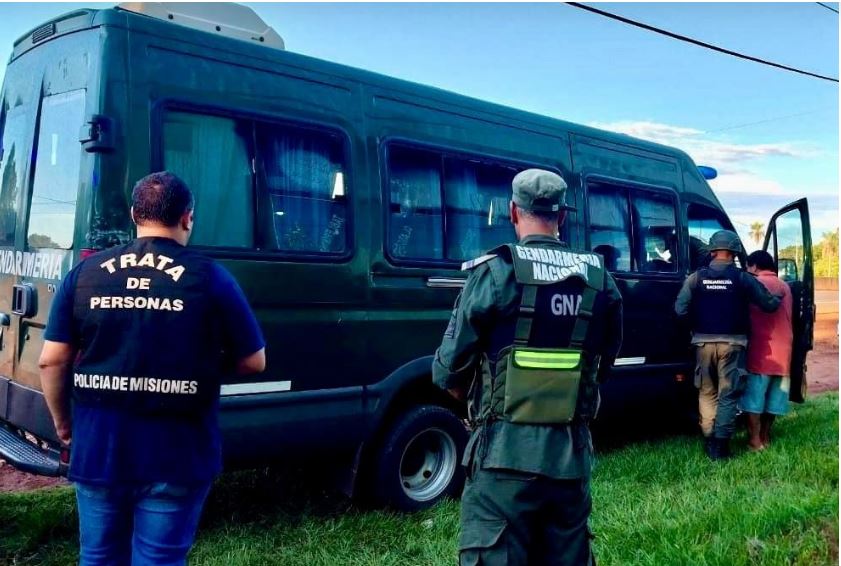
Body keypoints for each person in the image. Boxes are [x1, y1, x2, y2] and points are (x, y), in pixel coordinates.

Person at [39, 172, 266, 566]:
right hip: (178, 453)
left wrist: (63, 426)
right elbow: (254, 360)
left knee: (98, 557)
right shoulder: (211, 277)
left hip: (100, 448)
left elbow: (51, 360)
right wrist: (198, 368)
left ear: (134, 214)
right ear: (187, 218)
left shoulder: (86, 274)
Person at [433, 169, 623, 565]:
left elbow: (449, 374)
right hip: (569, 459)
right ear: (562, 216)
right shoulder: (599, 279)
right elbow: (601, 368)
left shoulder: (494, 273)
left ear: (512, 212)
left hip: (502, 458)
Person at [674, 230, 781, 460]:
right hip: (733, 345)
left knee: (707, 392)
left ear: (712, 251)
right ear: (734, 252)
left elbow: (679, 309)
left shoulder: (695, 278)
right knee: (728, 394)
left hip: (702, 343)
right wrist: (779, 298)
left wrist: (695, 327)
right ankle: (720, 447)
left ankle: (709, 439)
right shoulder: (743, 278)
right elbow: (769, 304)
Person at [740, 250, 793, 450]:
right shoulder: (785, 286)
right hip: (784, 350)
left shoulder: (753, 283)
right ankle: (765, 436)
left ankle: (754, 440)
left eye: (747, 266)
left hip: (761, 350)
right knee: (775, 399)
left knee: (754, 398)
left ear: (754, 266)